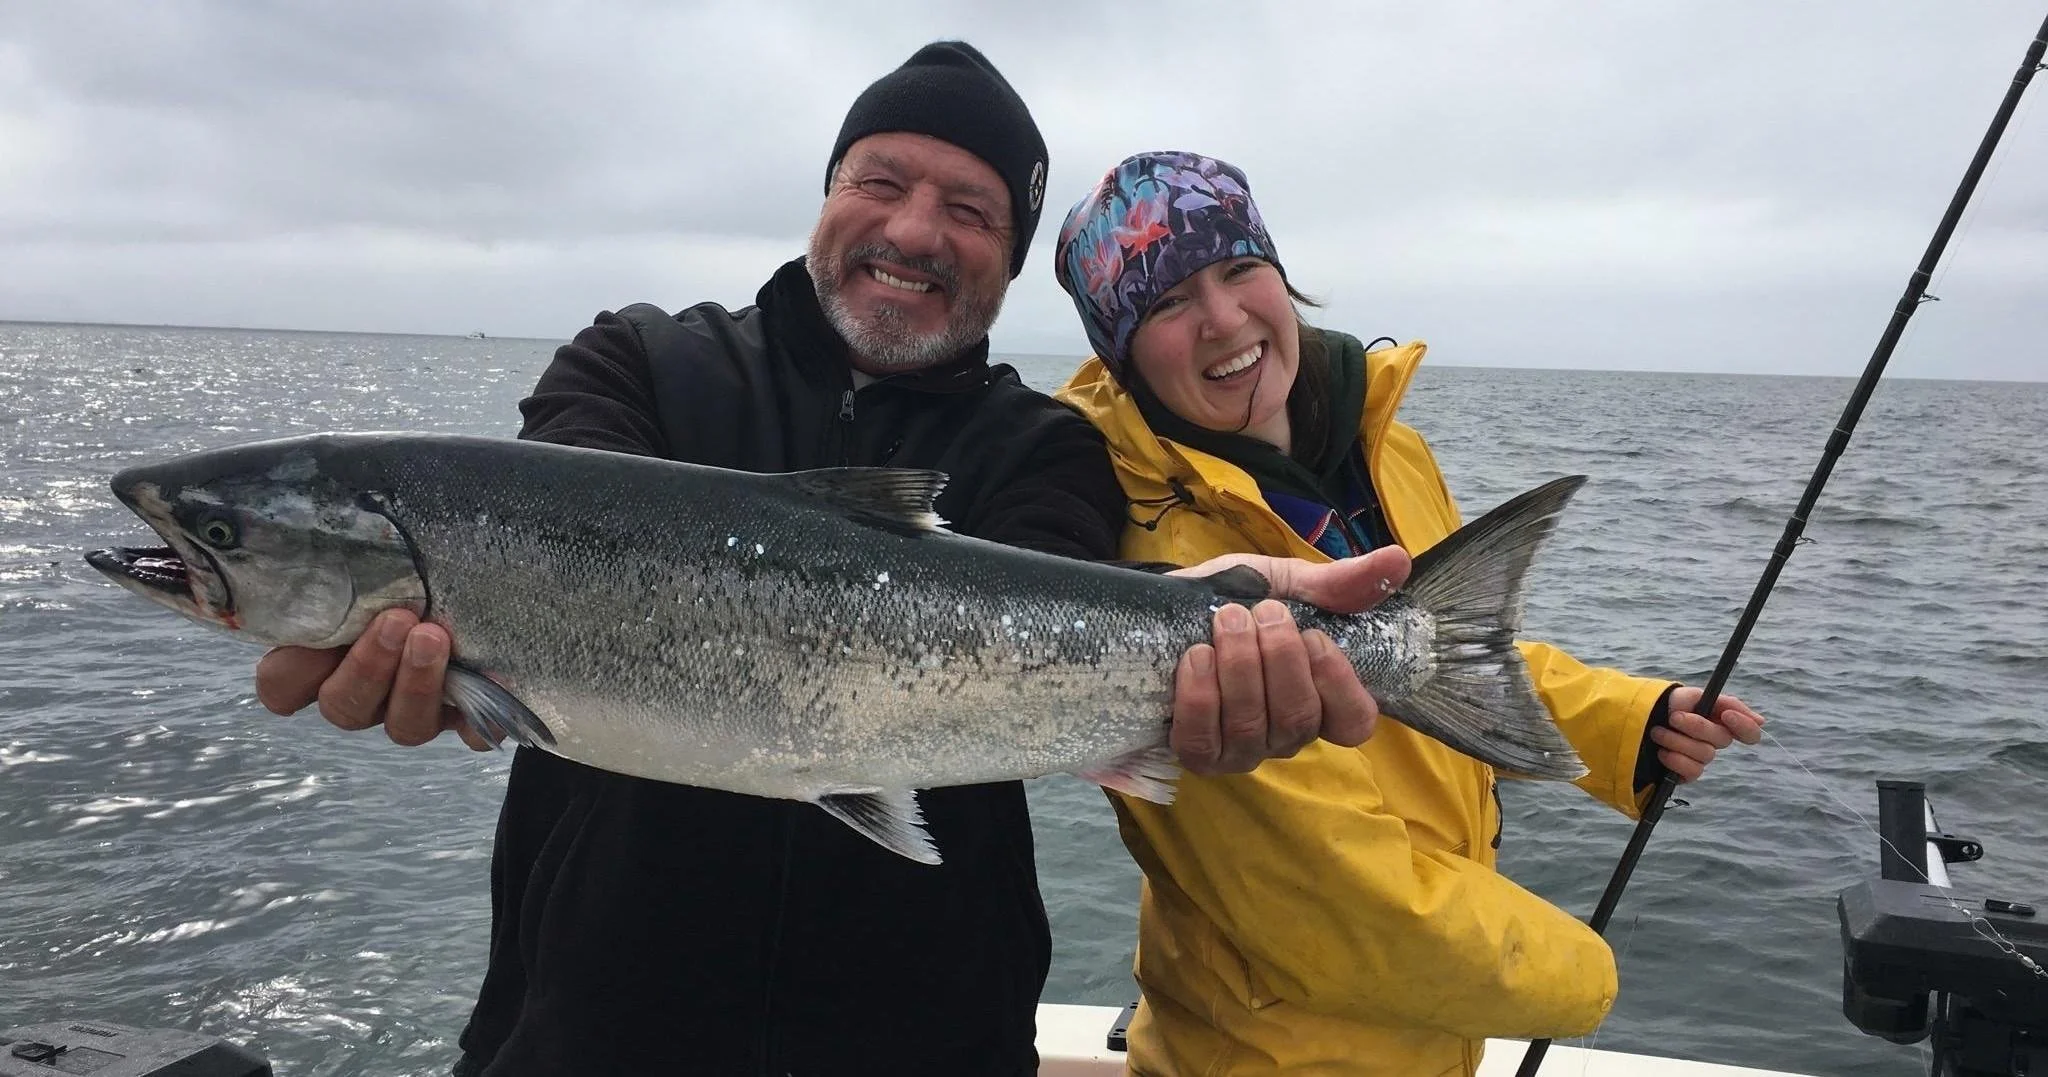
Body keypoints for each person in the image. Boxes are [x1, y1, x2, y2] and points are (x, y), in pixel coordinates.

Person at [252, 51, 1403, 1077]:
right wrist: (460, 673)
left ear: (1005, 262)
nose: (913, 231)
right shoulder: (639, 364)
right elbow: (545, 527)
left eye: (969, 207)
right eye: (880, 181)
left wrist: (1215, 632)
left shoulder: (1046, 448)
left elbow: (1052, 612)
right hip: (585, 1030)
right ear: (826, 196)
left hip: (932, 1042)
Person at [1050, 150, 1769, 1077]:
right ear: (1122, 351)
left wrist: (1629, 721)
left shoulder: (1389, 450)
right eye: (1167, 302)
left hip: (1431, 1039)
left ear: (1279, 272)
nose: (1223, 319)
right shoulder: (1157, 560)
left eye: (1237, 269)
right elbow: (1330, 898)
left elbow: (1443, 653)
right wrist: (1592, 980)